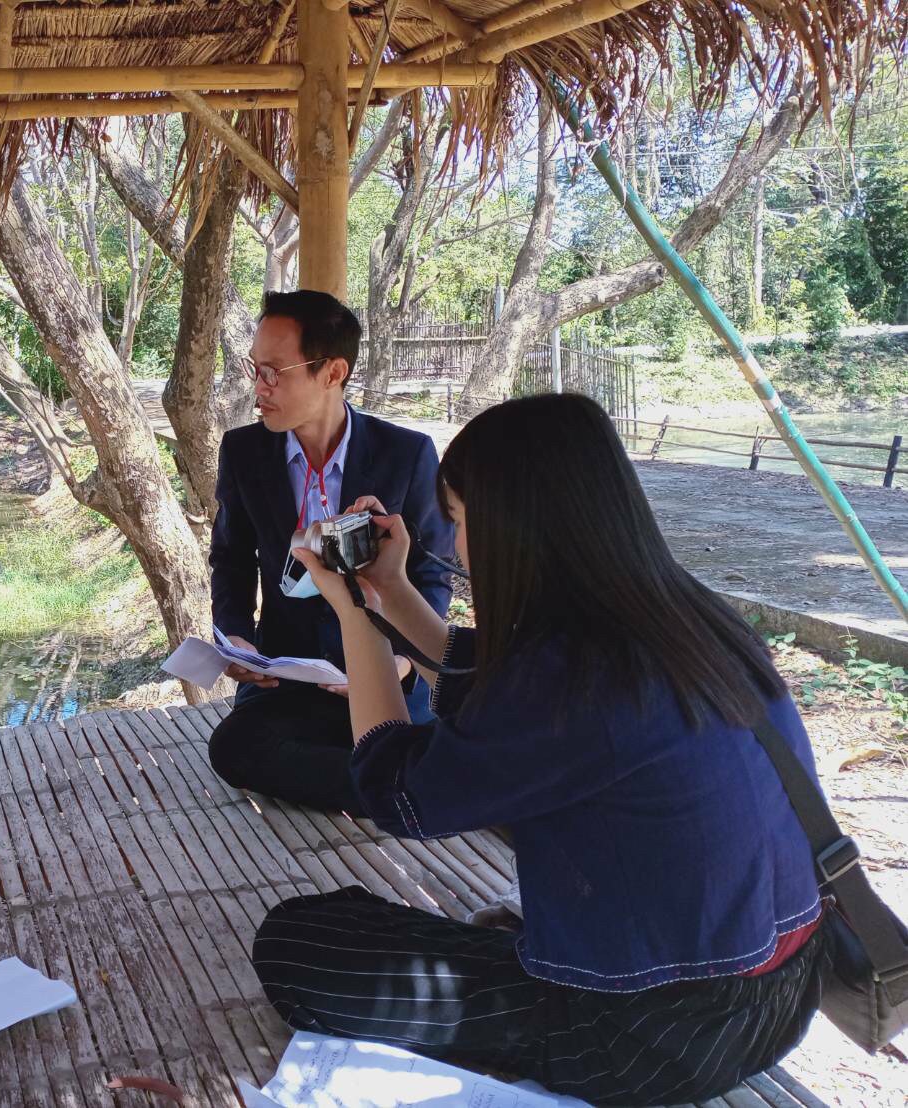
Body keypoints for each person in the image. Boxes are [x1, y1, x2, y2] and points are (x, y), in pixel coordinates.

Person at [252, 393, 826, 1105]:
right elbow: (490, 687)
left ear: (510, 526)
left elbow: (397, 791)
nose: (455, 545)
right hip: (781, 991)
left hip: (651, 1034)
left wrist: (353, 616)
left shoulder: (575, 677)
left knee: (300, 943)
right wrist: (390, 590)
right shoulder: (680, 617)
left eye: (460, 520)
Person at [207, 290, 455, 813]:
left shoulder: (406, 454)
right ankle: (400, 787)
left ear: (333, 372)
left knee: (403, 737)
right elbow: (231, 560)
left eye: (274, 372)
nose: (259, 388)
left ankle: (393, 778)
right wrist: (236, 637)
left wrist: (403, 661)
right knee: (232, 748)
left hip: (390, 673)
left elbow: (431, 575)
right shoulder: (245, 452)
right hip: (288, 677)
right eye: (255, 369)